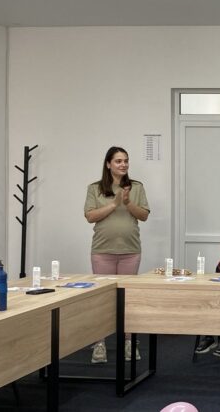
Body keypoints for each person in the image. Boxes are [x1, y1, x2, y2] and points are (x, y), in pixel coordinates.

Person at [84, 146, 150, 363]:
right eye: (119, 161)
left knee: (127, 299)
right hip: (102, 251)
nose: (123, 165)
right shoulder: (95, 188)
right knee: (103, 299)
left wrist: (128, 202)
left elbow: (144, 216)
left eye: (126, 161)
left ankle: (129, 342)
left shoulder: (136, 187)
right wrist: (114, 203)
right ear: (108, 164)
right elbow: (90, 216)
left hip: (130, 251)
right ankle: (99, 344)